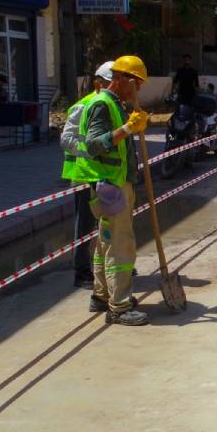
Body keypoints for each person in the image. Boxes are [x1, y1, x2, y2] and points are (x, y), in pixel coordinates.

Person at [69, 55, 151, 325]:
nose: (139, 90)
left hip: (110, 184)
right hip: (111, 186)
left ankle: (101, 295)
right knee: (120, 245)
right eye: (137, 83)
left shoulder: (113, 104)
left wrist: (131, 126)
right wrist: (128, 128)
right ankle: (119, 306)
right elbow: (94, 145)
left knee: (106, 242)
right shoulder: (103, 104)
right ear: (122, 79)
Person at [60, 61, 114, 289]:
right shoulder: (84, 105)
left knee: (110, 222)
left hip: (104, 174)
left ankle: (111, 264)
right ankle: (81, 271)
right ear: (98, 83)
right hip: (84, 174)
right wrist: (92, 153)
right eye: (111, 83)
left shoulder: (111, 104)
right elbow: (67, 140)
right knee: (84, 225)